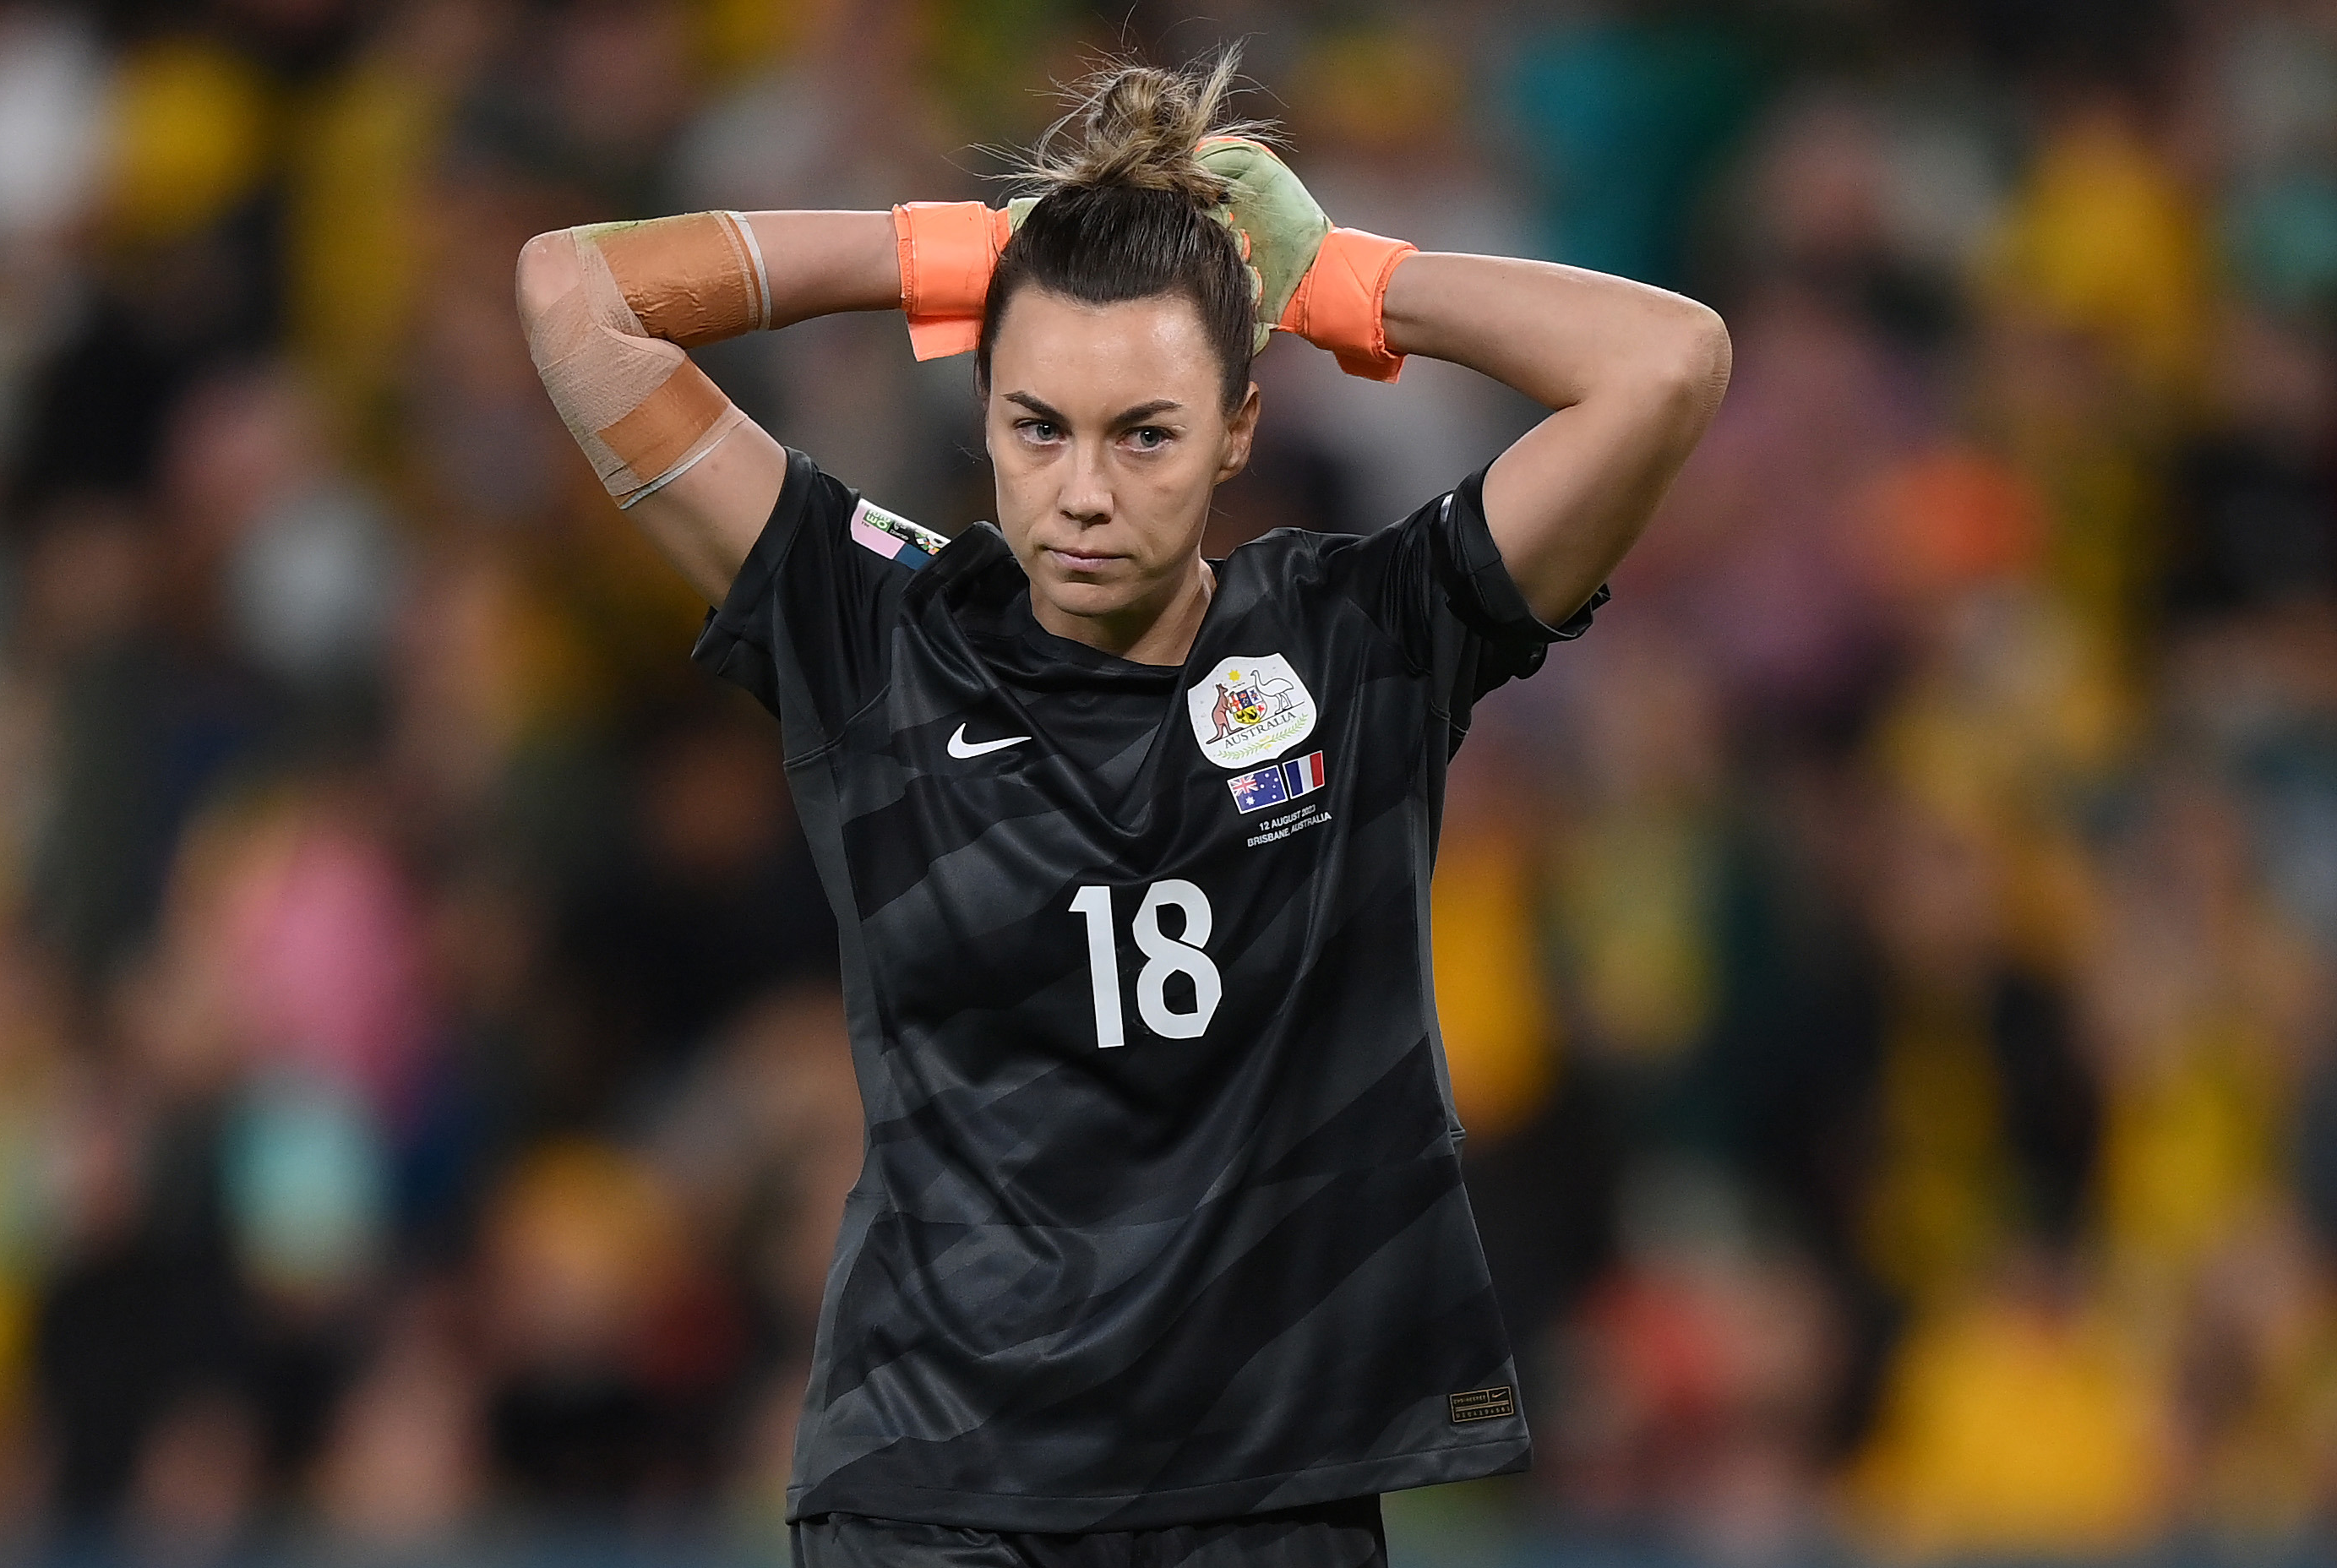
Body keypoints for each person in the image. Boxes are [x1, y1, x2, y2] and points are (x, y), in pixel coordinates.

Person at [515, 52, 1729, 1568]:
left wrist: (1338, 279)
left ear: (1235, 431)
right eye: (1039, 428)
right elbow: (576, 298)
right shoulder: (876, 625)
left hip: (1264, 1493)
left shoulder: (1360, 642)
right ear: (988, 415)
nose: (1082, 491)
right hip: (938, 1496)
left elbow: (1670, 364)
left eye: (1145, 434)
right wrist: (951, 250)